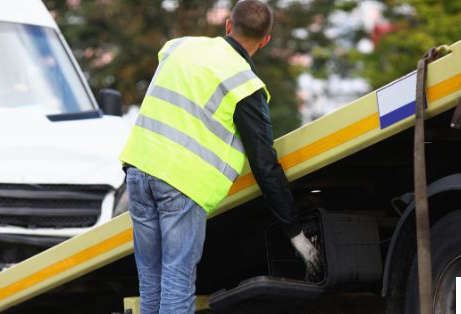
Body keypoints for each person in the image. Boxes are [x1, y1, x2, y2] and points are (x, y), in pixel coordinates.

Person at [119, 1, 322, 313]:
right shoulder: (245, 84)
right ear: (265, 40)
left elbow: (171, 70)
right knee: (176, 284)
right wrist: (293, 230)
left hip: (138, 171)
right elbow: (264, 164)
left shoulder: (179, 47)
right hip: (180, 186)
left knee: (151, 283)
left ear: (228, 25)